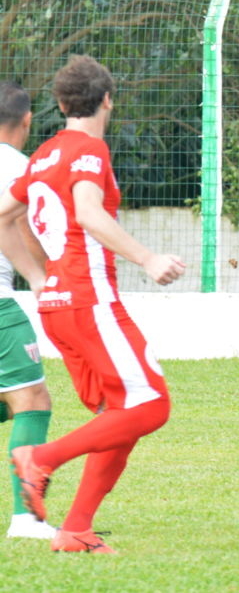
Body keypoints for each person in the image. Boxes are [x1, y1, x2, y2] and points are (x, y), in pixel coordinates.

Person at [0, 55, 186, 554]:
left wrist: (40, 278)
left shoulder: (42, 156)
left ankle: (77, 528)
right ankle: (41, 459)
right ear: (108, 99)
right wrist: (148, 259)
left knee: (120, 413)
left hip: (61, 303)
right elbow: (87, 212)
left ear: (60, 104)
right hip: (89, 299)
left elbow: (4, 218)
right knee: (152, 405)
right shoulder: (88, 150)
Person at [0, 83, 55, 539]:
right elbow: (21, 226)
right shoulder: (22, 168)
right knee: (31, 400)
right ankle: (27, 519)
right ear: (28, 120)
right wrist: (47, 276)